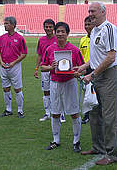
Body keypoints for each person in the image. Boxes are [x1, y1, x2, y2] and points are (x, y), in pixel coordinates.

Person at [76, 2, 117, 165]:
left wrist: (92, 74)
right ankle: (98, 147)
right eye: (89, 11)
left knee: (110, 116)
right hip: (96, 74)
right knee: (94, 113)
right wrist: (85, 66)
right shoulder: (94, 30)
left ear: (102, 12)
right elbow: (98, 55)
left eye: (93, 11)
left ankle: (112, 154)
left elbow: (110, 57)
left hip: (108, 75)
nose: (90, 14)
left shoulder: (109, 29)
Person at [41, 22, 84, 153]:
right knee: (55, 113)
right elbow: (43, 66)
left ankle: (76, 141)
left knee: (74, 113)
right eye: (58, 31)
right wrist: (51, 67)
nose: (60, 34)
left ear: (67, 33)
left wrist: (78, 73)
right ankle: (56, 140)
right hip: (55, 83)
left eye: (62, 31)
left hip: (70, 83)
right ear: (55, 33)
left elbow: (81, 68)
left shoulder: (74, 50)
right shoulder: (50, 49)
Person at [34, 19, 66, 122]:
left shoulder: (58, 38)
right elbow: (39, 55)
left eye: (50, 27)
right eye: (46, 27)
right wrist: (36, 68)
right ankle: (47, 113)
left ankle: (61, 113)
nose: (48, 29)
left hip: (57, 68)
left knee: (58, 91)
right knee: (46, 91)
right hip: (45, 68)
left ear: (54, 28)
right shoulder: (41, 40)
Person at [0, 17, 27, 118]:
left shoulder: (19, 38)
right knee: (5, 88)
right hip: (4, 66)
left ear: (13, 25)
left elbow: (24, 53)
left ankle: (20, 110)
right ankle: (8, 109)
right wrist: (1, 62)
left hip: (15, 67)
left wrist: (14, 63)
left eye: (7, 24)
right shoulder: (2, 37)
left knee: (17, 89)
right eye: (4, 23)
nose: (5, 25)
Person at [78, 16, 94, 124]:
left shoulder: (98, 38)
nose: (87, 26)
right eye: (86, 24)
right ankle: (87, 115)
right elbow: (80, 56)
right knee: (86, 93)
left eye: (89, 24)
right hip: (85, 69)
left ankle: (95, 114)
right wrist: (81, 68)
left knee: (95, 92)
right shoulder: (83, 40)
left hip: (95, 69)